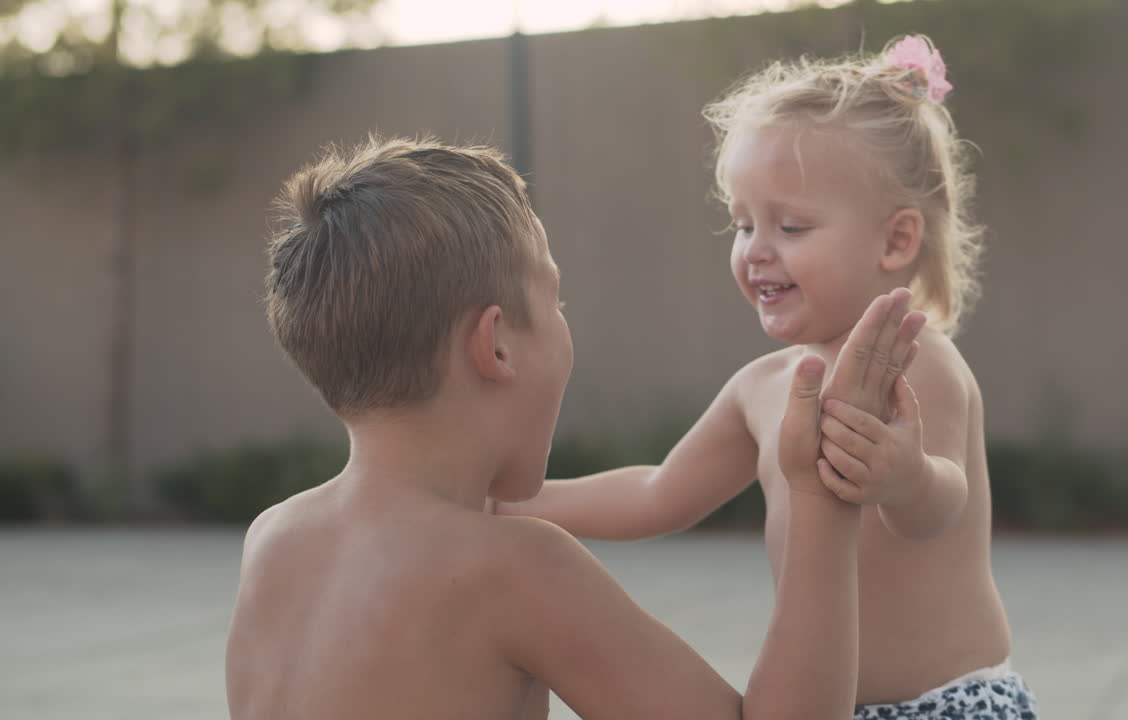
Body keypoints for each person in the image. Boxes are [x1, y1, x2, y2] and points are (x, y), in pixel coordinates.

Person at [224, 134, 902, 720]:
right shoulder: (514, 568)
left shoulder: (273, 538)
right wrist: (820, 502)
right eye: (557, 299)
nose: (564, 321)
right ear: (496, 346)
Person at [498, 36, 1038, 719]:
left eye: (790, 226)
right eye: (742, 224)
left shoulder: (916, 359)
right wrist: (508, 506)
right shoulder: (759, 387)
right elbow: (658, 493)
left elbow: (940, 510)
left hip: (950, 703)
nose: (756, 251)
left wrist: (907, 479)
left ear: (896, 240)